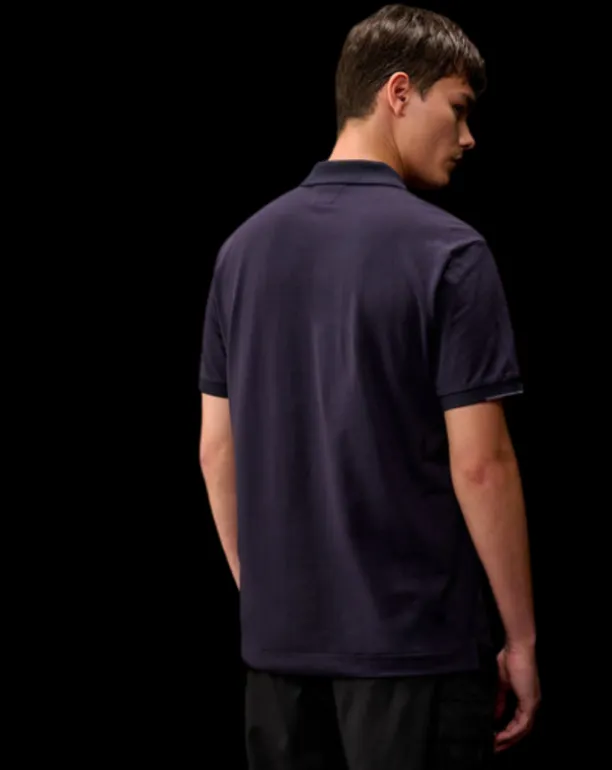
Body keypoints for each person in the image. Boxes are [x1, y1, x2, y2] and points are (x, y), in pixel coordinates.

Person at [198, 4, 540, 768]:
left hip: (278, 659)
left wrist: (269, 599)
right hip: (414, 655)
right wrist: (520, 640)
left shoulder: (242, 251)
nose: (468, 137)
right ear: (399, 92)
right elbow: (482, 466)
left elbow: (216, 453)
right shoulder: (451, 254)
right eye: (458, 109)